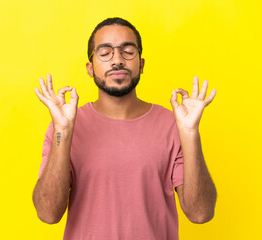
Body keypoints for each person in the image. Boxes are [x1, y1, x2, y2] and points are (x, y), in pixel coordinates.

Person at [32, 17, 217, 240]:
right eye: (105, 52)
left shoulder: (174, 124)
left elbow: (200, 213)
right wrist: (62, 129)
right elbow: (48, 213)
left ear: (141, 63)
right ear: (90, 68)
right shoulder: (65, 125)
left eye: (128, 51)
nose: (117, 60)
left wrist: (189, 134)